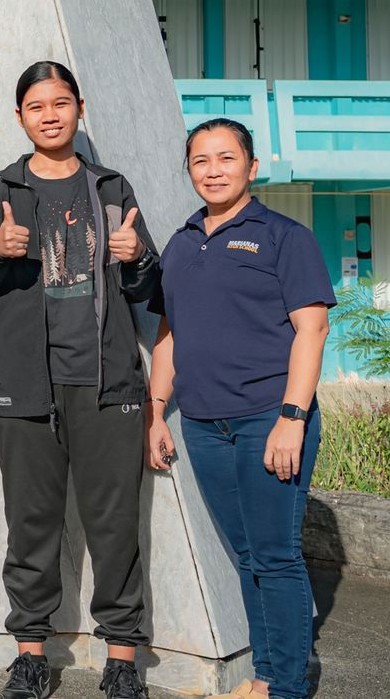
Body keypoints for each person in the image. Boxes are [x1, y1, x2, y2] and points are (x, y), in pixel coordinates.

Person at [0, 61, 160, 699]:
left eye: (61, 103)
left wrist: (137, 257)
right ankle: (30, 656)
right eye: (37, 106)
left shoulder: (110, 186)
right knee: (31, 526)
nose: (50, 115)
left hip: (106, 385)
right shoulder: (0, 188)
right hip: (25, 387)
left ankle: (122, 660)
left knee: (115, 526)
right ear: (20, 116)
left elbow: (147, 287)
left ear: (79, 109)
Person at [146, 119, 334, 699]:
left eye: (226, 158)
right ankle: (264, 677)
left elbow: (312, 330)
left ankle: (287, 687)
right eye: (200, 160)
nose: (213, 170)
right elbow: (169, 332)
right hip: (204, 425)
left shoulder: (285, 237)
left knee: (276, 556)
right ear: (189, 171)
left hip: (268, 418)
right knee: (248, 556)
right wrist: (156, 411)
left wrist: (292, 419)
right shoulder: (181, 243)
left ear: (251, 167)